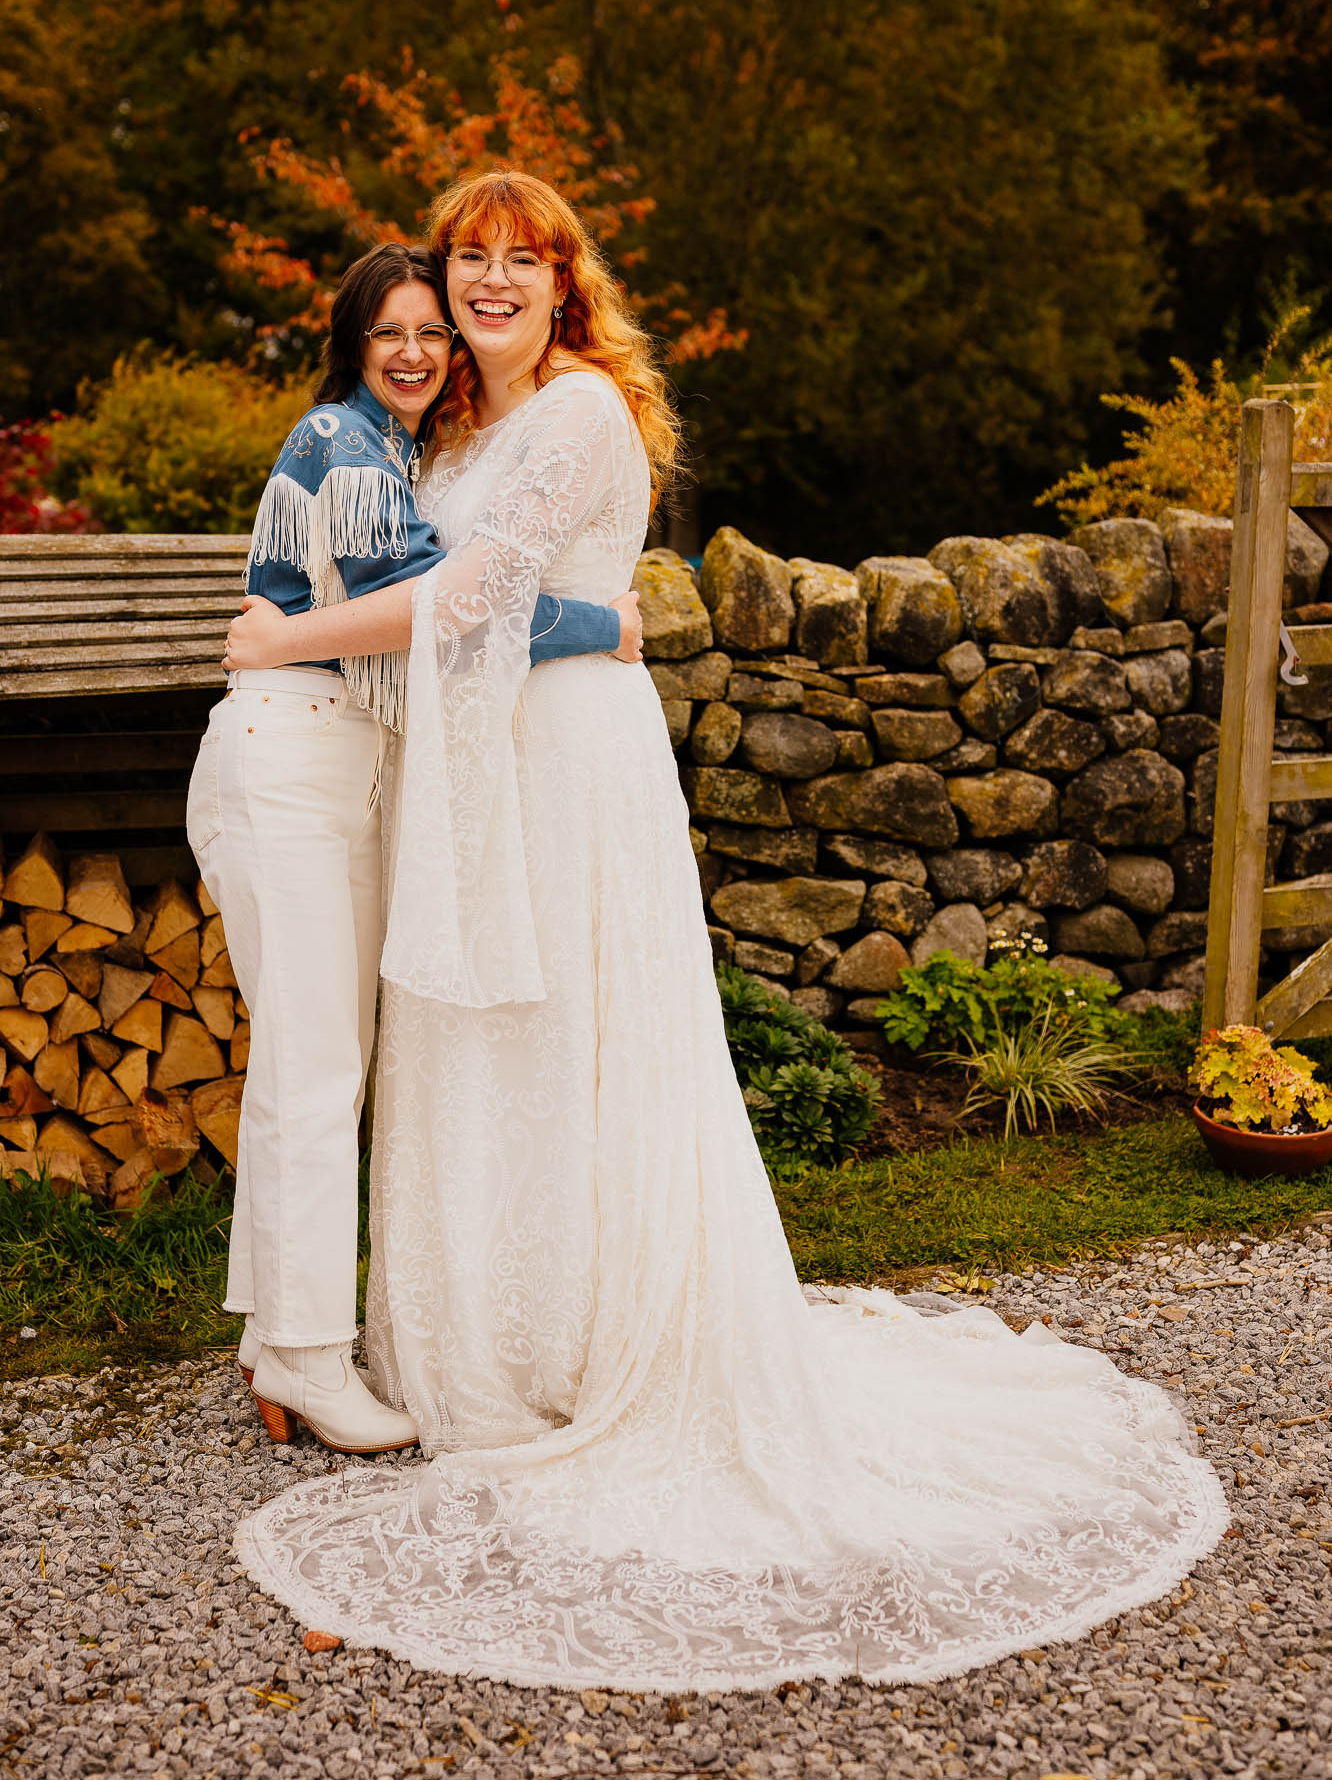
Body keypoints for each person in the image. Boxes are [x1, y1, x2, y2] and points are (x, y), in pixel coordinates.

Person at [218, 173, 1226, 1691]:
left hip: (562, 767)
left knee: (572, 1040)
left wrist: (291, 633)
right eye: (467, 259)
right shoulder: (452, 431)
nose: (489, 283)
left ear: (568, 282)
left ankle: (578, 1346)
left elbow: (482, 594)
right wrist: (584, 616)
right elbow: (460, 588)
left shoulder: (573, 415)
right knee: (477, 1038)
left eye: (520, 260)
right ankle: (471, 1342)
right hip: (474, 767)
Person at [190, 239, 641, 1457]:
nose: (414, 351)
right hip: (290, 754)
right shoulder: (346, 445)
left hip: (340, 760)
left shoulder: (400, 447)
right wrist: (608, 620)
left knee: (316, 1061)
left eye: (431, 331)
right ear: (353, 340)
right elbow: (456, 606)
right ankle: (307, 1358)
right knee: (314, 1068)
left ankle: (275, 1338)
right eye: (389, 330)